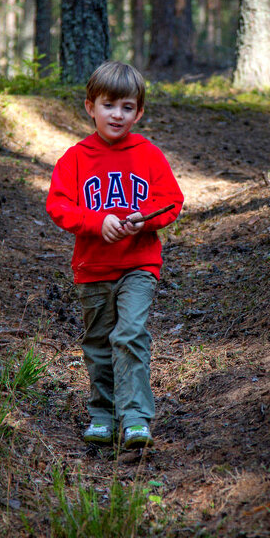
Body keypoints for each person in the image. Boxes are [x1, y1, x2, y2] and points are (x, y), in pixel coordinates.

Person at [45, 61, 183, 449]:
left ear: (138, 112)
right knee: (99, 341)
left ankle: (136, 417)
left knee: (130, 334)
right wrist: (96, 222)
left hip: (139, 264)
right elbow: (59, 206)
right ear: (91, 107)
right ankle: (103, 414)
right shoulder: (75, 158)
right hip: (93, 267)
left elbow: (172, 200)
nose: (117, 115)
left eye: (127, 107)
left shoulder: (148, 154)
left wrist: (147, 219)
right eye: (109, 105)